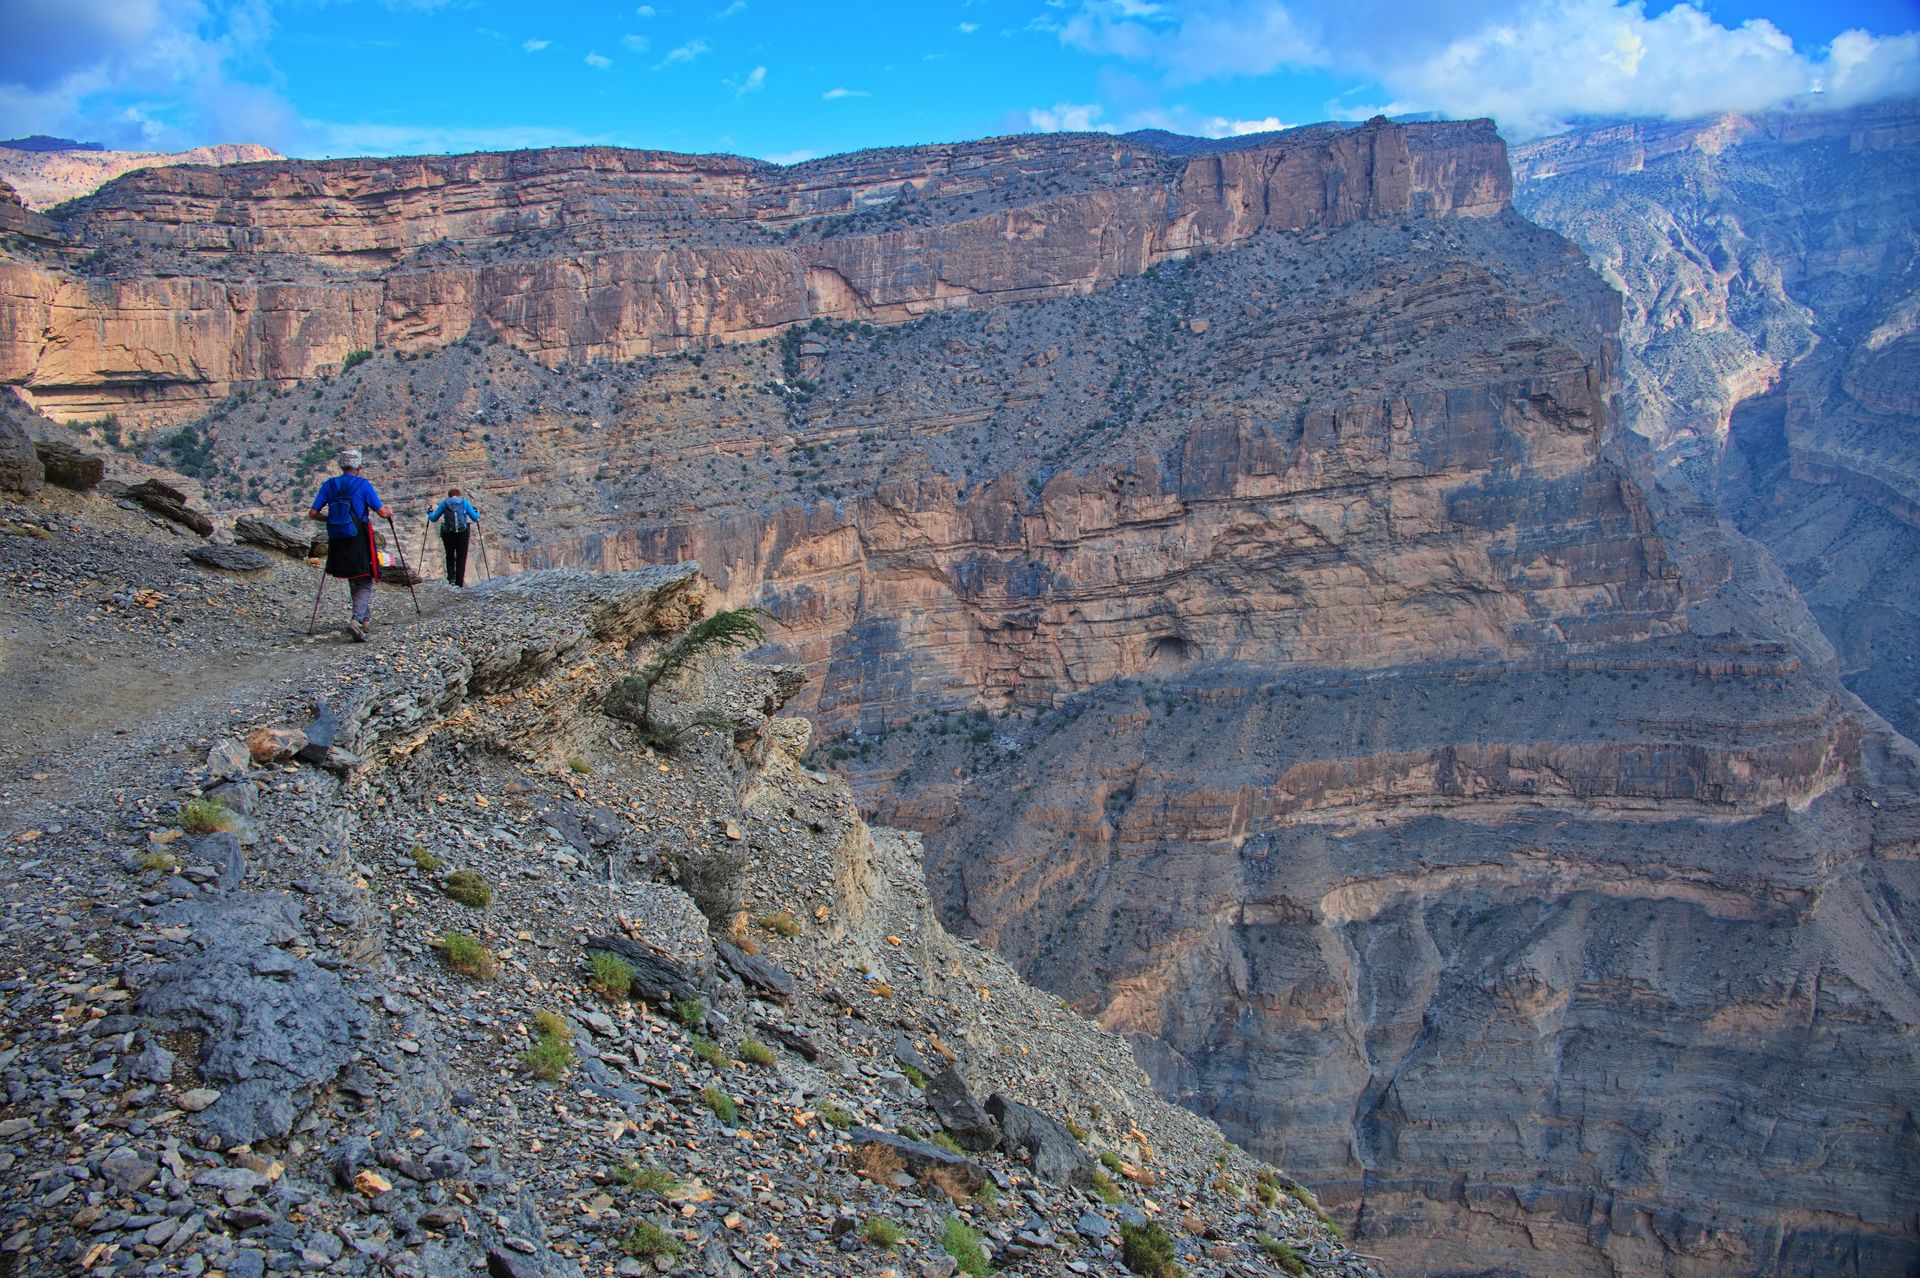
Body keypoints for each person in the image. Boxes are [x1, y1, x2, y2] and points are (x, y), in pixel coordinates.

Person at [308, 448, 391, 641]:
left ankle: (365, 619)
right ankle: (356, 620)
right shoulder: (363, 485)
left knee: (354, 577)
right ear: (359, 467)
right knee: (365, 578)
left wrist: (332, 519)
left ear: (342, 466)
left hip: (337, 538)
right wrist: (389, 510)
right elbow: (381, 512)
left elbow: (312, 513)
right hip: (358, 538)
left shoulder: (329, 485)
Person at [427, 487, 481, 587]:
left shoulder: (444, 503)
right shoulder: (464, 503)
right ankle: (459, 582)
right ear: (459, 494)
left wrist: (429, 513)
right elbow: (475, 518)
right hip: (462, 533)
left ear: (449, 495)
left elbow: (434, 518)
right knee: (461, 557)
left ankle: (451, 579)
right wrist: (477, 512)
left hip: (448, 533)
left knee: (450, 555)